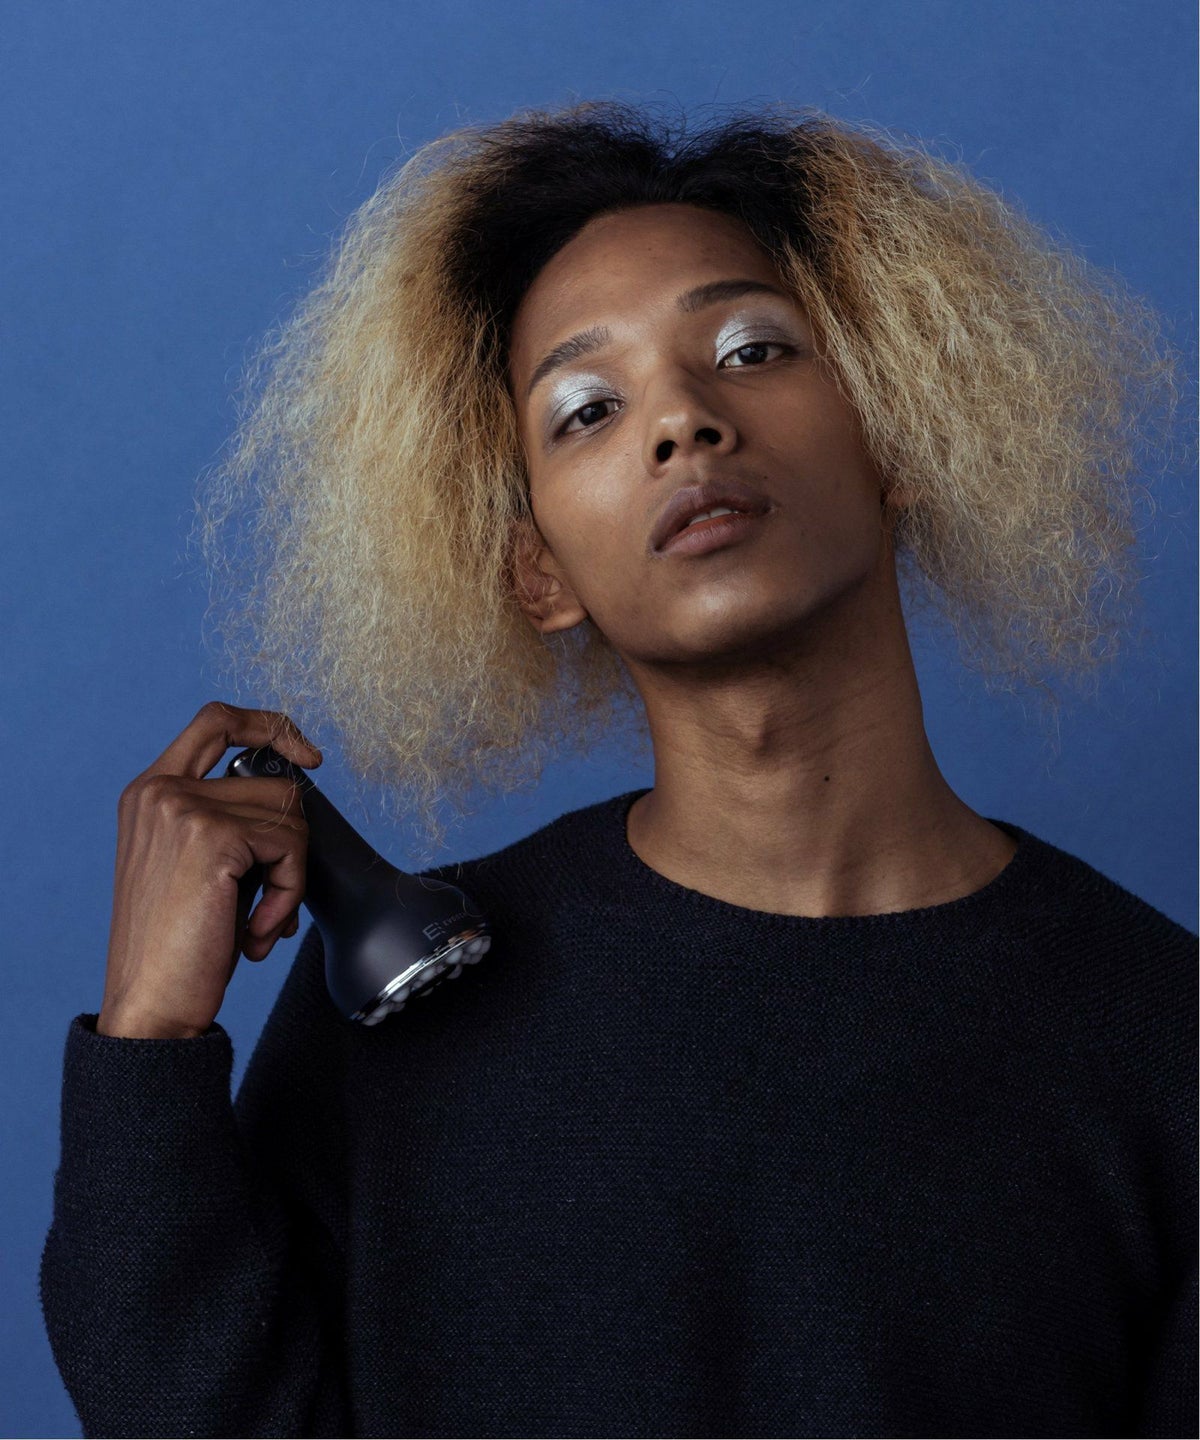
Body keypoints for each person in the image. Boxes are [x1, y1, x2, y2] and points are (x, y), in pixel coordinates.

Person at [41, 99, 1196, 1438]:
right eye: (587, 409)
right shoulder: (407, 1010)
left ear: (897, 438)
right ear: (540, 572)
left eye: (751, 349)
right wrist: (149, 1045)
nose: (683, 422)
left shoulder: (1160, 1038)